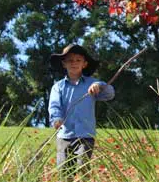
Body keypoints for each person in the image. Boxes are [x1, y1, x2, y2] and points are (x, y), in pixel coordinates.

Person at [48, 44, 115, 174]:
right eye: (70, 60)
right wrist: (56, 118)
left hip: (86, 134)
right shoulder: (58, 87)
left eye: (78, 60)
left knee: (83, 166)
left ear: (84, 64)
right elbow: (54, 105)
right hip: (65, 135)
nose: (74, 63)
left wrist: (100, 86)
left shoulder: (92, 83)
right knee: (64, 170)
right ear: (64, 64)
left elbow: (110, 94)